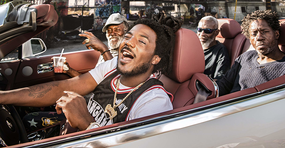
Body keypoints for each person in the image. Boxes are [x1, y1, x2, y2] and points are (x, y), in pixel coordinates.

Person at [0, 17, 181, 132]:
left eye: (141, 41)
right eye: (128, 36)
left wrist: (87, 123)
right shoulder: (112, 66)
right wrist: (4, 97)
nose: (128, 43)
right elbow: (64, 87)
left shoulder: (154, 102)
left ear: (155, 59)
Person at [216, 10, 285, 96]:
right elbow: (223, 86)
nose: (259, 37)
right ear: (249, 38)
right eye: (254, 33)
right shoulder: (245, 57)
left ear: (276, 34)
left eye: (264, 31)